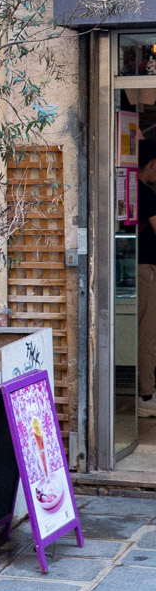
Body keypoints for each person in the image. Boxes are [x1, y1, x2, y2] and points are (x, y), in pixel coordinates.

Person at [138, 148, 156, 417]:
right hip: (145, 269)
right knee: (147, 331)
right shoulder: (147, 193)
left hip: (140, 267)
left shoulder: (134, 190)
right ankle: (146, 396)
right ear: (152, 164)